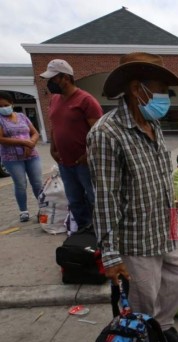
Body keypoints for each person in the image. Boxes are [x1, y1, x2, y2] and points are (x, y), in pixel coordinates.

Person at [87, 52, 178, 342]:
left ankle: (162, 325)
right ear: (137, 88)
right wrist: (110, 255)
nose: (164, 98)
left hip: (162, 228)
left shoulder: (152, 124)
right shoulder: (106, 133)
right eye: (160, 89)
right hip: (134, 237)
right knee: (143, 298)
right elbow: (105, 196)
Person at [40, 59, 103, 230]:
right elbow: (55, 125)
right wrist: (53, 148)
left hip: (84, 163)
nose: (49, 83)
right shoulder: (54, 100)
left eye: (53, 78)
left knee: (93, 197)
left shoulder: (86, 100)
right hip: (64, 162)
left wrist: (89, 154)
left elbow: (99, 132)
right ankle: (84, 229)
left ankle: (102, 232)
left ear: (66, 77)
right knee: (74, 199)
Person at [0, 91, 43, 222]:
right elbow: (1, 139)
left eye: (5, 105)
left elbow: (34, 132)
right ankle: (23, 211)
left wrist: (31, 144)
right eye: (0, 106)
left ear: (12, 104)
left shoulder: (22, 116)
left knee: (37, 182)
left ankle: (43, 207)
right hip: (11, 158)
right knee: (20, 184)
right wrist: (23, 142)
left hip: (31, 155)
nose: (3, 108)